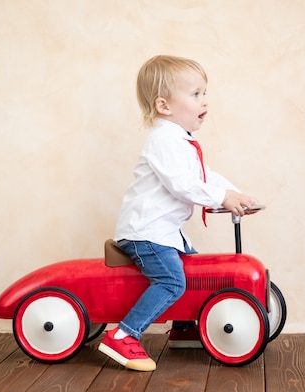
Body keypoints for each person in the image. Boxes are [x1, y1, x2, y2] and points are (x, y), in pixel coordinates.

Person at [98, 55, 258, 371]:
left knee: (195, 272)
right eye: (195, 94)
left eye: (204, 93)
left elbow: (202, 175)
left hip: (164, 232)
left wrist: (234, 194)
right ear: (164, 106)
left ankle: (184, 326)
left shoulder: (181, 140)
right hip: (146, 233)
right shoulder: (162, 140)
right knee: (173, 282)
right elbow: (183, 185)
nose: (204, 101)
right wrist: (222, 197)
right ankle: (123, 334)